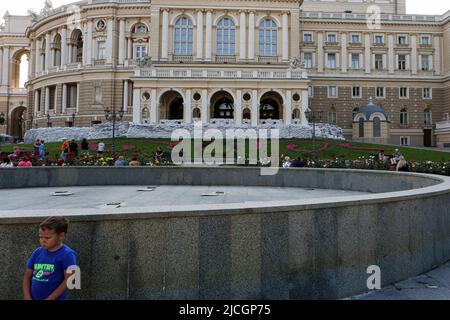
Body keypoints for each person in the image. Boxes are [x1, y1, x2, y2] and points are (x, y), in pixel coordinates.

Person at [23, 216, 77, 301]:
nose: (43, 240)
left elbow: (69, 280)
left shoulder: (68, 255)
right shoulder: (37, 252)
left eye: (47, 238)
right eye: (41, 237)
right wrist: (27, 296)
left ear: (61, 236)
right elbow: (27, 276)